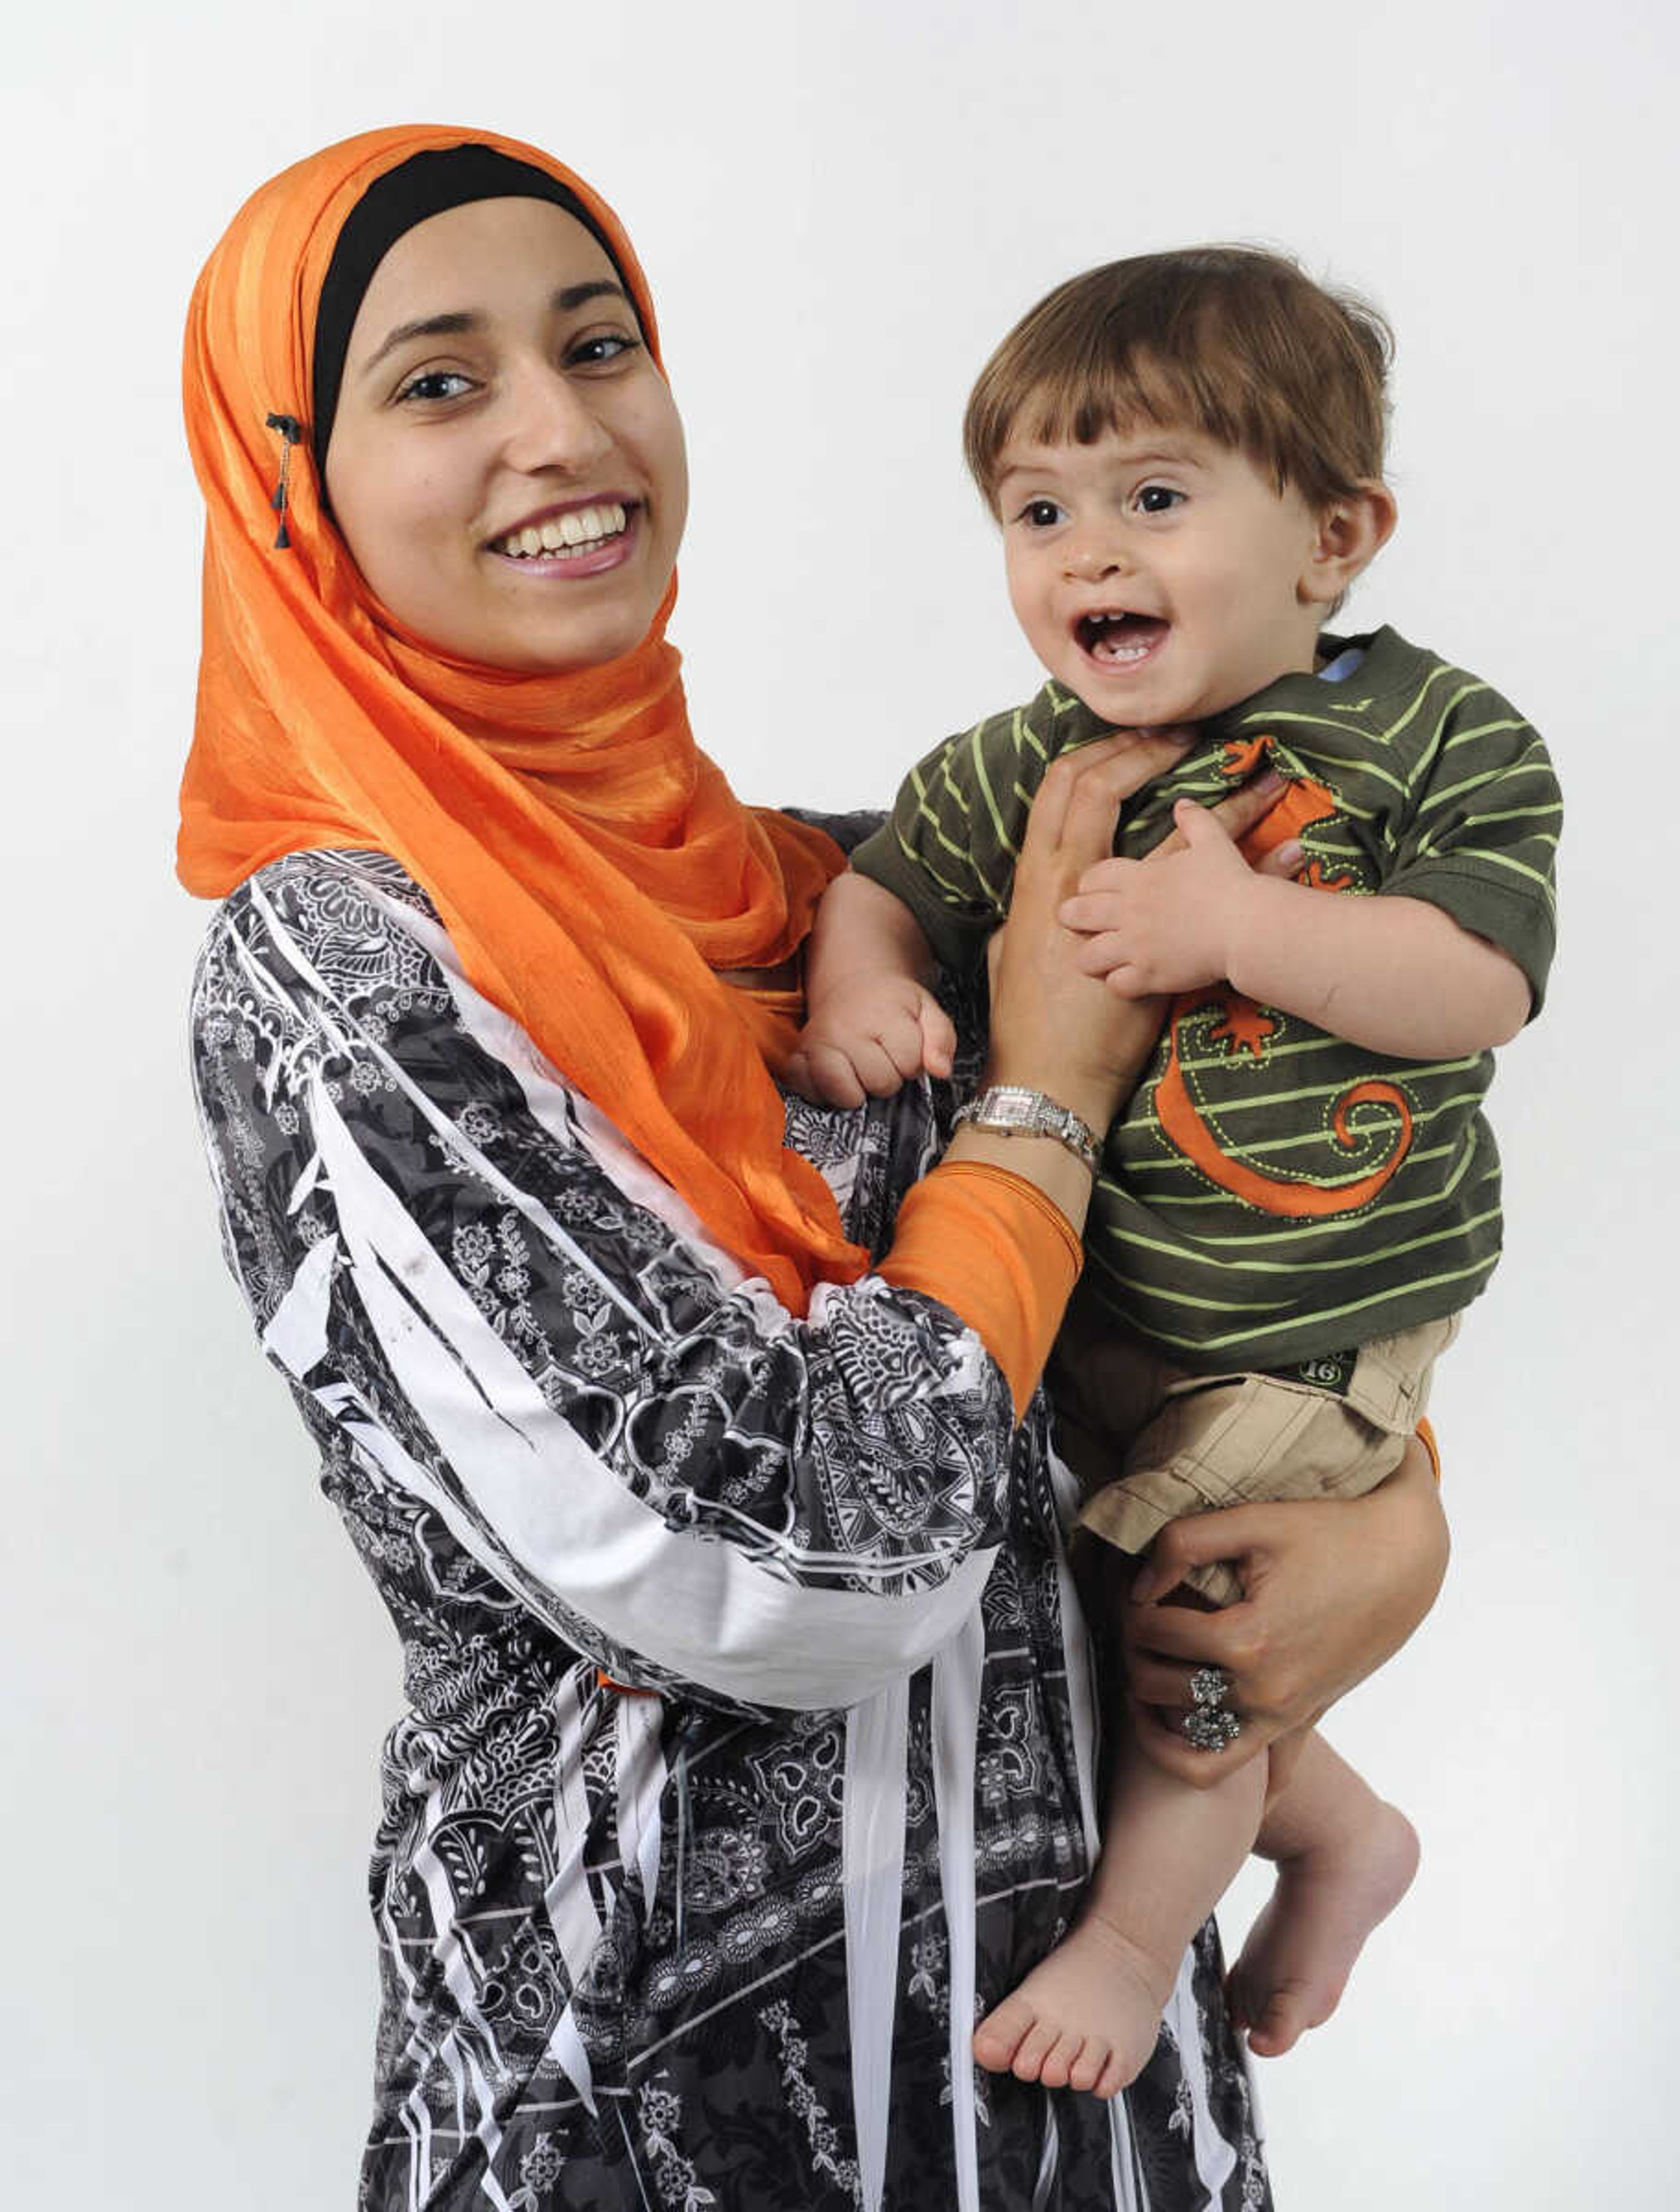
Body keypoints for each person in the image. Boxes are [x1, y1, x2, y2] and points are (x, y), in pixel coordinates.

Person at [179, 130, 1451, 2212]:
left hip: (1095, 2092)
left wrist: (1397, 1526)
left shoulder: (820, 891)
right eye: (439, 381)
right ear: (289, 478)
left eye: (602, 346)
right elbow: (789, 1573)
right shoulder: (342, 967)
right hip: (663, 2121)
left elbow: (1274, 1206)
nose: (562, 428)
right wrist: (1035, 1100)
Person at [793, 247, 1560, 2091]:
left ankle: (1140, 1951)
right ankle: (1343, 1827)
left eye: (1154, 496)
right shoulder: (1028, 759)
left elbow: (1480, 987)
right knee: (1066, 1612)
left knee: (1193, 1637)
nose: (1087, 554)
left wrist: (1239, 926)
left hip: (1309, 1346)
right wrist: (865, 981)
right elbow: (883, 877)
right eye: (1038, 511)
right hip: (1098, 1323)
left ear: (1334, 536)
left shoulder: (1438, 737)